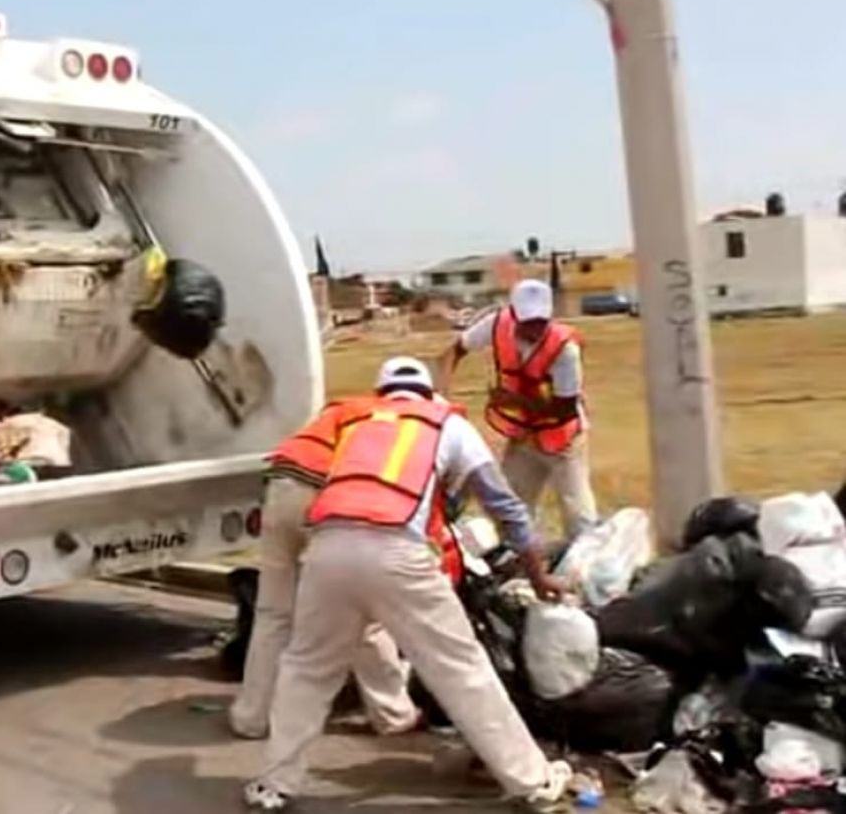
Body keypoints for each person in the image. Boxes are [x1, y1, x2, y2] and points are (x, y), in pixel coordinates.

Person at [245, 356, 572, 813]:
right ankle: (532, 782)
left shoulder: (356, 422)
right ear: (428, 394)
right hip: (396, 549)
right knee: (460, 668)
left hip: (328, 547)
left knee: (307, 668)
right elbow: (505, 506)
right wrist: (538, 573)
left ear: (383, 394)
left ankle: (273, 786)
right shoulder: (445, 424)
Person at [228, 397, 422, 741]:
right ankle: (393, 715)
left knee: (273, 613)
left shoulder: (345, 408)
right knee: (364, 613)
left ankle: (252, 717)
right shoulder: (404, 427)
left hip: (280, 483)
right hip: (323, 492)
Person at [437, 279, 598, 543]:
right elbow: (454, 351)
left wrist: (514, 401)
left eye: (541, 321)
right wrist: (442, 396)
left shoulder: (564, 348)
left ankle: (586, 566)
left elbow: (565, 410)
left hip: (563, 440)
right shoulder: (496, 325)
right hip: (523, 438)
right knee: (511, 509)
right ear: (514, 314)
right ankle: (520, 565)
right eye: (528, 322)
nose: (535, 329)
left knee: (578, 514)